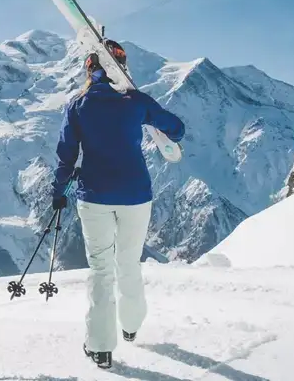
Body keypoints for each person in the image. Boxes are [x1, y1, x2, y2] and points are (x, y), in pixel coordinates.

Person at [50, 40, 185, 370]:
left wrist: (59, 191)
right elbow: (177, 130)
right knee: (129, 261)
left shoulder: (78, 105)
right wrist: (147, 114)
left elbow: (66, 155)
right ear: (121, 66)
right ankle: (131, 326)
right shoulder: (136, 101)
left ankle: (100, 348)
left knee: (101, 269)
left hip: (94, 196)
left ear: (90, 70)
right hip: (136, 195)